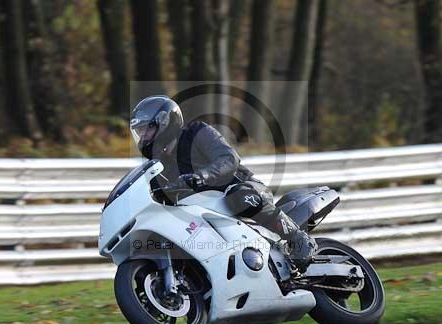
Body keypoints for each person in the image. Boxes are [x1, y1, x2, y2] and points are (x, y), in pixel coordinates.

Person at [129, 95, 317, 270]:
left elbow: (229, 159)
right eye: (139, 132)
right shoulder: (156, 167)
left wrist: (202, 176)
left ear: (164, 122)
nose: (143, 136)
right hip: (207, 214)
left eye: (147, 129)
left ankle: (298, 238)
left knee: (240, 197)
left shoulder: (197, 133)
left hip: (245, 190)